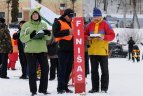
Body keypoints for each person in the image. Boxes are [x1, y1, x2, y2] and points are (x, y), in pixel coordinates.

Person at [20, 9, 51, 96]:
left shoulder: (43, 24)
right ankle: (33, 91)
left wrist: (48, 34)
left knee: (45, 70)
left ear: (39, 15)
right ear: (31, 16)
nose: (35, 16)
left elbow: (48, 38)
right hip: (31, 51)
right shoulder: (26, 25)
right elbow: (22, 38)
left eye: (37, 14)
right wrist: (30, 35)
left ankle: (43, 89)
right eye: (33, 15)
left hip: (42, 50)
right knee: (32, 71)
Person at [85, 8, 115, 93]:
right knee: (94, 71)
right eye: (95, 16)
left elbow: (112, 35)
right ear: (93, 17)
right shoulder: (89, 25)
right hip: (92, 51)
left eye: (98, 16)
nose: (96, 18)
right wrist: (87, 37)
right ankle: (95, 88)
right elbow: (83, 34)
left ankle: (104, 89)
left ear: (101, 16)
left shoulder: (106, 24)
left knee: (104, 70)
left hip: (102, 51)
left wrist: (104, 37)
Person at [52, 8, 74, 94]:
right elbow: (55, 33)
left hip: (71, 49)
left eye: (72, 16)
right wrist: (68, 32)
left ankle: (65, 87)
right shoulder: (58, 22)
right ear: (65, 15)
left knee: (68, 69)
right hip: (62, 49)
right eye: (69, 16)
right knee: (62, 69)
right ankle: (60, 88)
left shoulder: (72, 22)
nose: (71, 18)